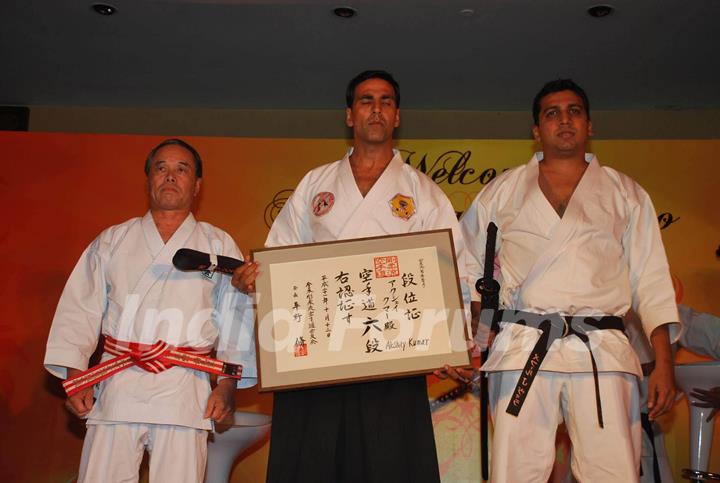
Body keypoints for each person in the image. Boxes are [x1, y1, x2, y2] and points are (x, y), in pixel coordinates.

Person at [232, 70, 468, 483]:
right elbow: (281, 256)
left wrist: (451, 341)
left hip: (394, 357)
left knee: (389, 462)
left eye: (385, 101)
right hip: (319, 356)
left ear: (397, 117)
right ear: (349, 115)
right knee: (314, 463)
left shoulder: (424, 193)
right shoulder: (316, 184)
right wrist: (255, 279)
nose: (376, 109)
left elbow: (455, 271)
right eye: (365, 100)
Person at [460, 79, 680, 482]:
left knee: (613, 473)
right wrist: (470, 338)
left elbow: (651, 281)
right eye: (552, 113)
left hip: (602, 351)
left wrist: (664, 363)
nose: (565, 120)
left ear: (590, 125)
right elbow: (467, 267)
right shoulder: (502, 191)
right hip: (524, 345)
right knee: (514, 473)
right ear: (536, 130)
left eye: (574, 111)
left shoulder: (625, 193)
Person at [44, 139, 257, 482]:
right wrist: (74, 376)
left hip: (185, 391)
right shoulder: (113, 241)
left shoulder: (218, 245)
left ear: (197, 185)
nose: (170, 177)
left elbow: (236, 317)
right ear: (148, 181)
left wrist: (227, 384)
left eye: (181, 169)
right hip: (118, 385)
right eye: (161, 168)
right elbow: (78, 308)